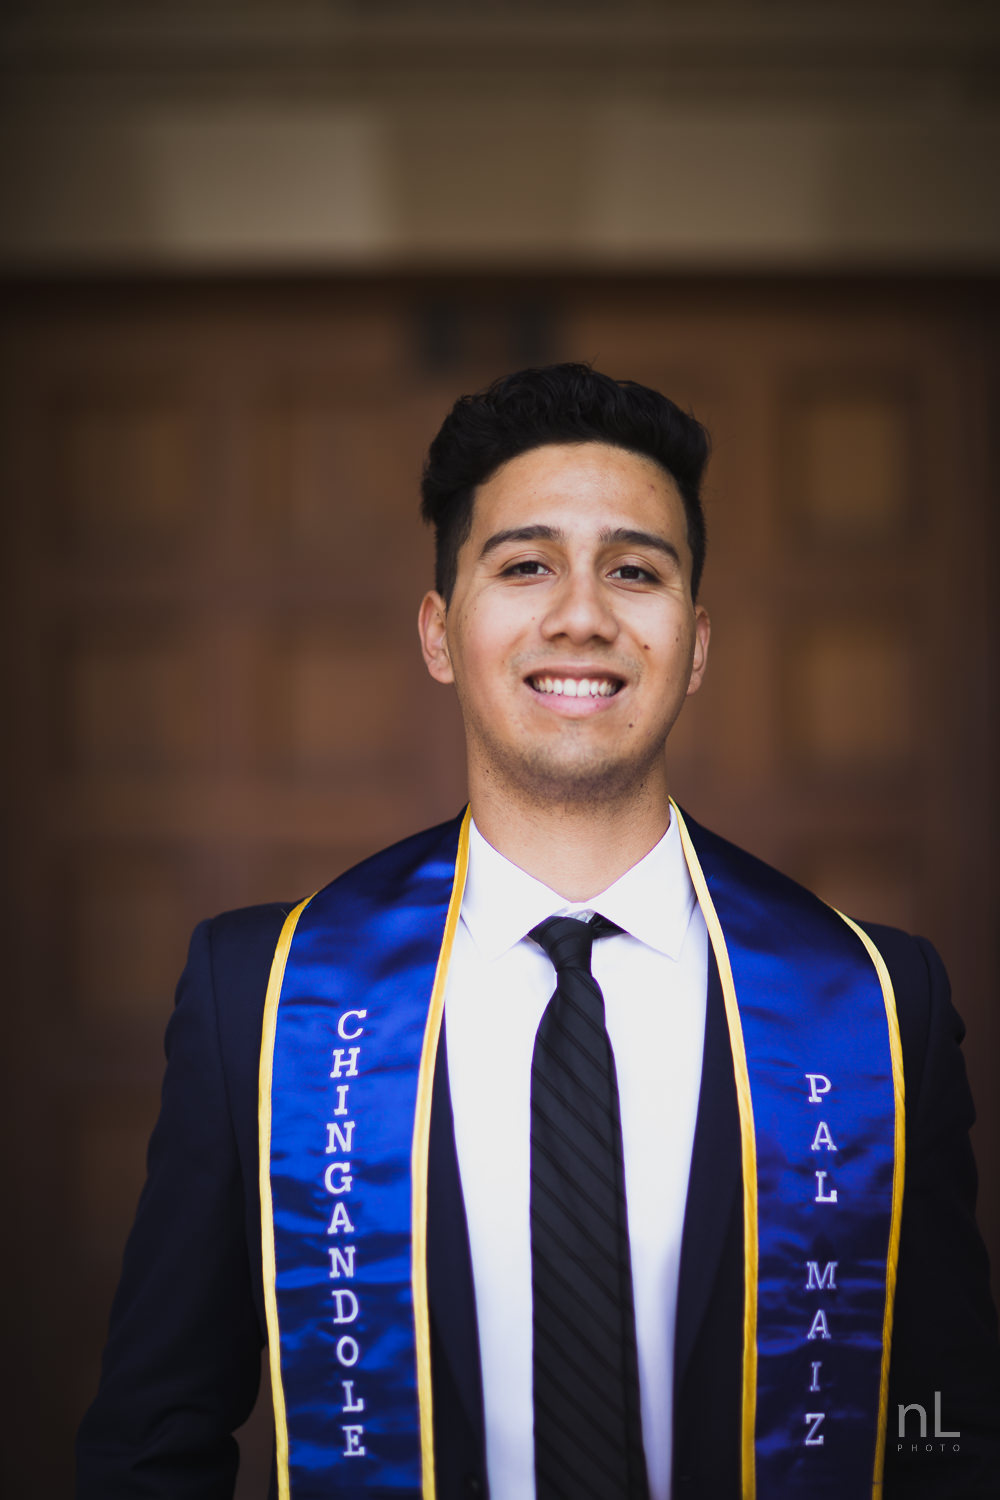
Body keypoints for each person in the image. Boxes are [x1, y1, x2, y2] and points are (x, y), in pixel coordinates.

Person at [77, 364, 999, 1499]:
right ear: (438, 631)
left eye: (634, 570)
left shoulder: (871, 1004)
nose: (581, 613)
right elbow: (151, 1441)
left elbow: (944, 1419)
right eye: (523, 565)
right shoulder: (264, 1002)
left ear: (695, 642)